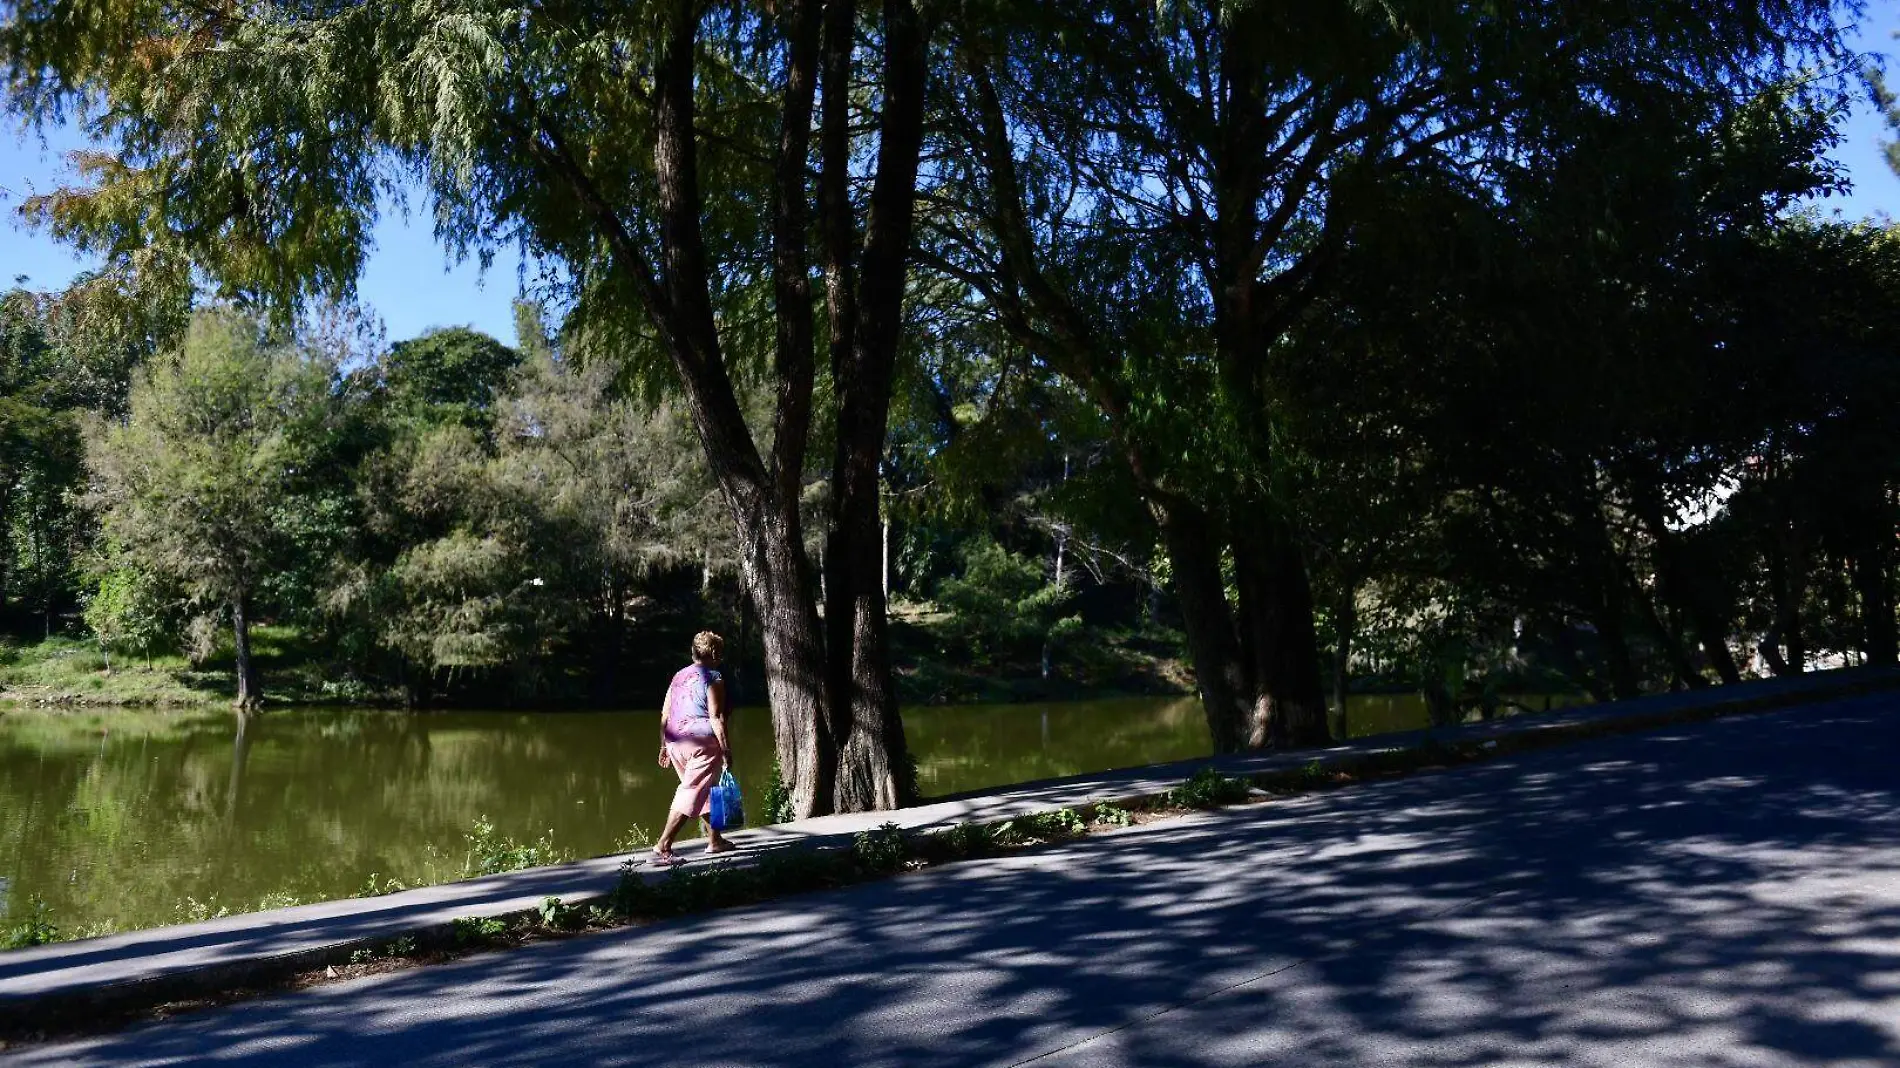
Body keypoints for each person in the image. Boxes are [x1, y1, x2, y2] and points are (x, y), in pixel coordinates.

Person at [653, 630, 735, 864]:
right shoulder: (713, 676)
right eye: (720, 653)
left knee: (706, 791)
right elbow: (716, 716)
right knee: (692, 790)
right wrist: (726, 749)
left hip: (674, 741)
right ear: (715, 653)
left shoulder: (678, 676)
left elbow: (665, 713)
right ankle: (664, 845)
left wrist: (663, 745)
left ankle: (715, 840)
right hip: (701, 742)